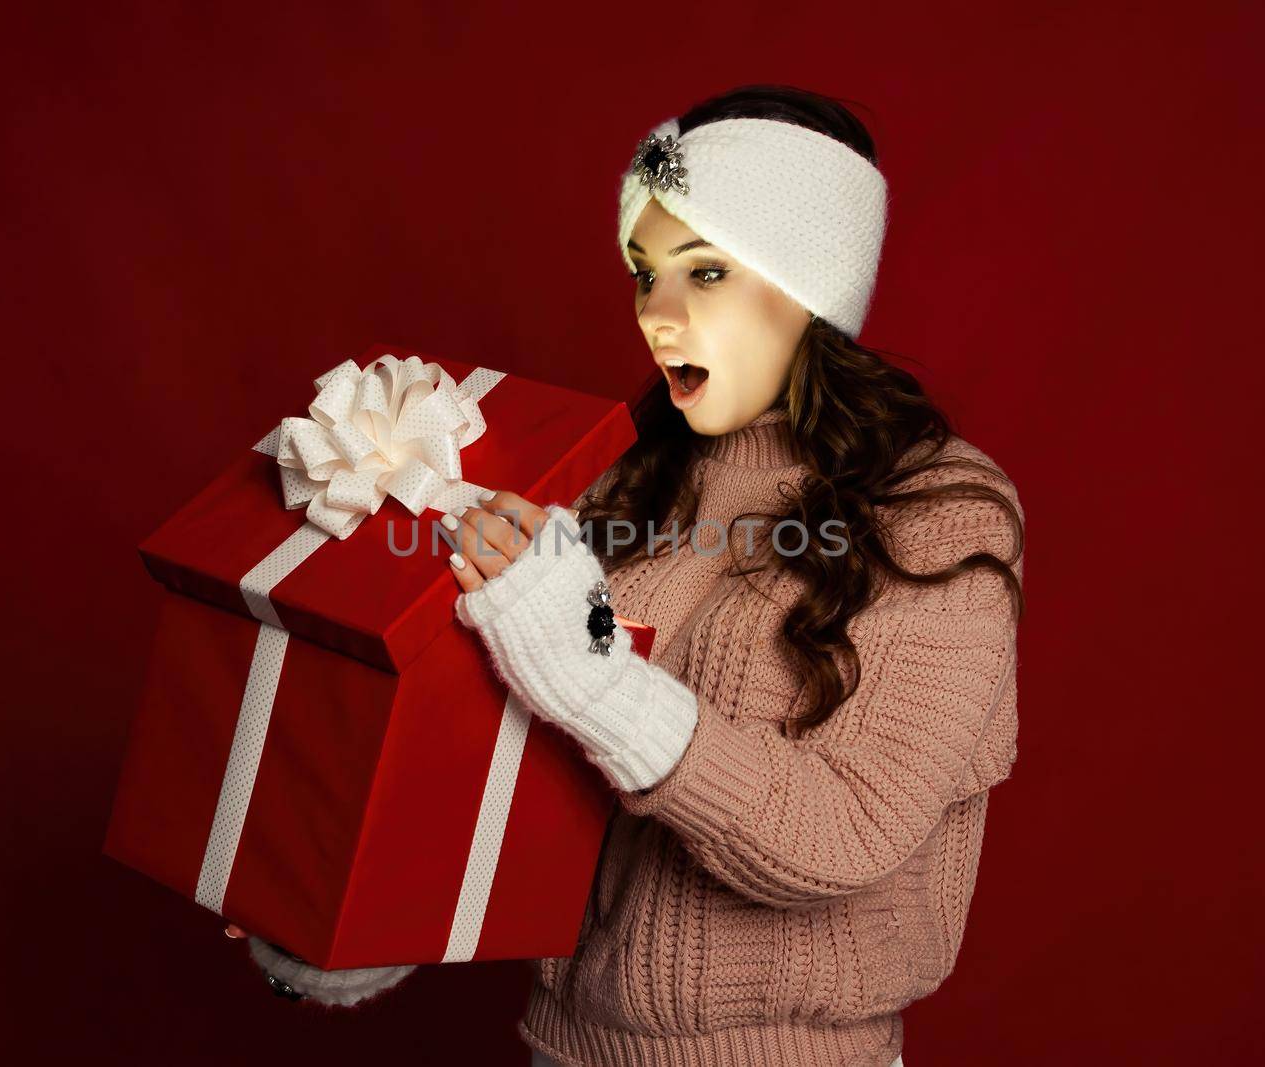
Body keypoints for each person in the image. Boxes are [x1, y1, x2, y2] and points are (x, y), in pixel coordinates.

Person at [230, 84, 1026, 1067]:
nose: (657, 312)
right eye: (645, 270)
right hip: (563, 1049)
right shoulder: (619, 475)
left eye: (703, 270)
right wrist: (356, 921)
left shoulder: (937, 510)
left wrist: (590, 665)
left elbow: (845, 831)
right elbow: (520, 771)